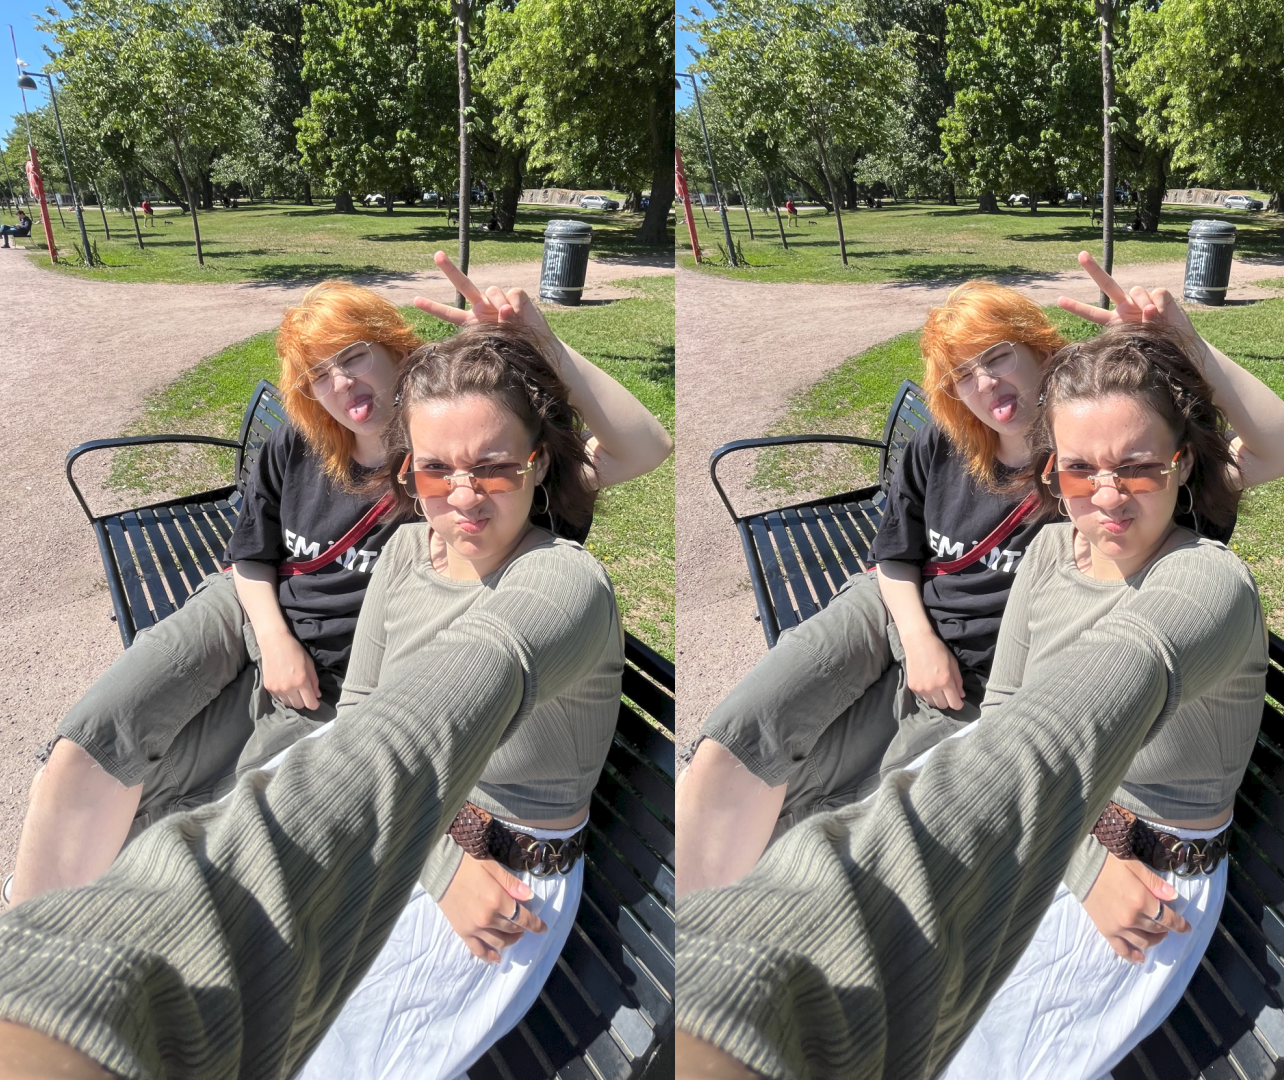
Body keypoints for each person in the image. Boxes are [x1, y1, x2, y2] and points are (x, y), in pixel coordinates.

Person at [677, 325, 1269, 1080]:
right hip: (1050, 833)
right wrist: (1079, 860)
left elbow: (1082, 712)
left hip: (1142, 891)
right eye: (1081, 470)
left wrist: (1082, 863)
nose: (1109, 497)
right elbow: (1010, 712)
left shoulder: (1207, 583)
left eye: (1140, 467)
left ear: (1181, 462)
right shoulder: (1053, 552)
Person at [6, 253, 669, 906]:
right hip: (244, 613)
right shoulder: (298, 443)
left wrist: (544, 346)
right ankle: (25, 932)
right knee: (90, 741)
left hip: (336, 686)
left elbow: (644, 448)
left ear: (392, 348)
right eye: (319, 374)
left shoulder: (452, 476)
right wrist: (274, 640)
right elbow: (250, 554)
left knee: (209, 813)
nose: (342, 383)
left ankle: (87, 917)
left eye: (352, 356)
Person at [674, 263, 1284, 898]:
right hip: (889, 611)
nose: (985, 382)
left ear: (1039, 347)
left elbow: (1272, 447)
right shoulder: (942, 442)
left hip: (980, 683)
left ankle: (749, 911)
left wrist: (1186, 345)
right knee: (737, 737)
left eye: (997, 356)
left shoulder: (1097, 467)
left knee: (854, 809)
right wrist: (919, 641)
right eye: (962, 374)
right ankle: (696, 929)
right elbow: (894, 554)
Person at [286, 319, 634, 1079]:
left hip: (501, 889)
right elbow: (359, 715)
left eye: (495, 467)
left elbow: (479, 675)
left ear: (538, 463)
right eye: (437, 470)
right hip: (410, 841)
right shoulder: (407, 551)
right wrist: (433, 862)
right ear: (408, 470)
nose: (465, 497)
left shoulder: (565, 582)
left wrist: (439, 865)